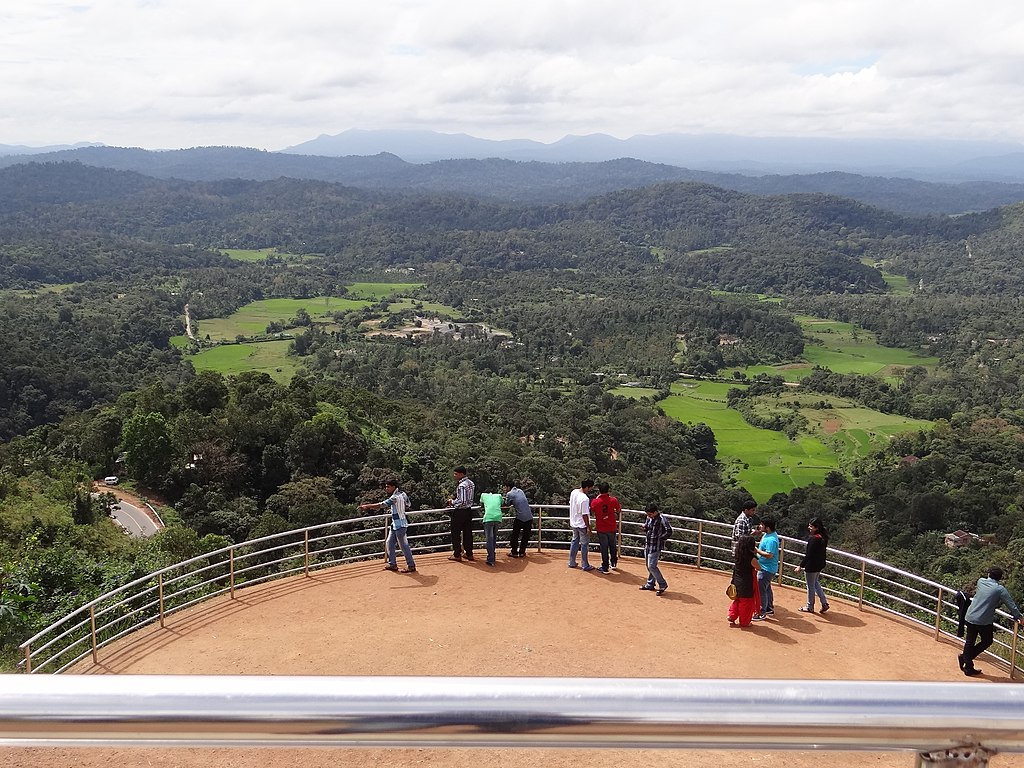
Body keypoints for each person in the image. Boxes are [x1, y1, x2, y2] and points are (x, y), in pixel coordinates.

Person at [960, 566, 1024, 676]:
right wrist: (1019, 617)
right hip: (983, 620)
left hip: (970, 616)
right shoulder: (1000, 589)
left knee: (970, 641)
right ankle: (966, 658)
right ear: (999, 578)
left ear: (989, 574)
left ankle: (968, 664)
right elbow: (1011, 605)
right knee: (987, 641)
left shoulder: (981, 581)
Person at [359, 479, 416, 573]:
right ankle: (392, 564)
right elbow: (408, 504)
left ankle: (411, 565)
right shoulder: (403, 494)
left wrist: (367, 506)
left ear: (393, 487)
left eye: (388, 487)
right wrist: (400, 509)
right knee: (389, 542)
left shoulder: (394, 498)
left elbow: (381, 505)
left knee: (404, 546)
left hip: (400, 525)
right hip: (396, 524)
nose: (386, 489)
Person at [794, 516, 830, 614]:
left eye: (811, 526)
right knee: (815, 583)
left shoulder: (814, 539)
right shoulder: (823, 537)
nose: (809, 528)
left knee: (810, 586)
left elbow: (809, 555)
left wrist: (800, 566)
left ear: (816, 528)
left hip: (811, 566)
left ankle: (810, 606)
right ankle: (824, 603)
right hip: (819, 565)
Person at [639, 503, 672, 595]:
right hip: (648, 544)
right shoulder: (649, 518)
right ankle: (650, 584)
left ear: (655, 512)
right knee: (648, 565)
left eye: (650, 514)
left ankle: (662, 584)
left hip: (656, 546)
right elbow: (648, 527)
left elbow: (669, 530)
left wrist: (661, 538)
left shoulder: (662, 519)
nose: (648, 516)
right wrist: (644, 528)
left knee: (652, 566)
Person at [728, 534, 761, 626]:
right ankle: (745, 622)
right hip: (746, 584)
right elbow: (759, 567)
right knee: (746, 603)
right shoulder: (751, 559)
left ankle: (732, 615)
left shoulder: (737, 555)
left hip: (736, 581)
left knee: (737, 600)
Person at [591, 482, 622, 573]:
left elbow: (592, 510)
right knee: (612, 545)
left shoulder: (595, 502)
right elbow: (619, 509)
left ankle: (605, 567)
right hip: (612, 526)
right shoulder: (613, 500)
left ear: (599, 490)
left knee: (604, 547)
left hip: (601, 528)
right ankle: (614, 563)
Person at [753, 517, 779, 621]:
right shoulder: (768, 535)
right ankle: (768, 608)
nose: (760, 526)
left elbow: (769, 555)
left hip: (766, 568)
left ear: (767, 527)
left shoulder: (771, 540)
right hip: (766, 567)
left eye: (762, 525)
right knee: (766, 588)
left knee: (761, 590)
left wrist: (757, 551)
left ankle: (761, 612)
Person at [447, 466, 475, 562]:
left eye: (456, 474)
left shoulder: (462, 485)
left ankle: (457, 554)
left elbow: (462, 501)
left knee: (455, 533)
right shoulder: (471, 483)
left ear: (461, 474)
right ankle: (469, 553)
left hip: (460, 512)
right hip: (468, 511)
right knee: (468, 533)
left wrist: (452, 502)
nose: (454, 475)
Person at [568, 479, 595, 571]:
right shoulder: (584, 499)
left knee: (574, 541)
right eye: (590, 488)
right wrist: (588, 527)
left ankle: (571, 562)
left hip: (574, 522)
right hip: (582, 525)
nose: (590, 490)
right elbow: (585, 515)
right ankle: (585, 565)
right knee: (584, 545)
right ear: (587, 487)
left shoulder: (574, 492)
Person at [503, 481, 533, 558]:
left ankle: (514, 552)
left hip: (520, 517)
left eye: (505, 487)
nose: (504, 489)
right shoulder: (520, 491)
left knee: (515, 535)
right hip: (529, 517)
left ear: (508, 487)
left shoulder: (509, 494)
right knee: (525, 536)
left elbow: (507, 504)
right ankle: (522, 552)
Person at [480, 491, 503, 566]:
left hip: (488, 518)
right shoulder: (499, 496)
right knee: (493, 538)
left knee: (489, 539)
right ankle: (492, 555)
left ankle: (491, 559)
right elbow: (503, 502)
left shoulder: (483, 495)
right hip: (498, 518)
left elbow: (481, 502)